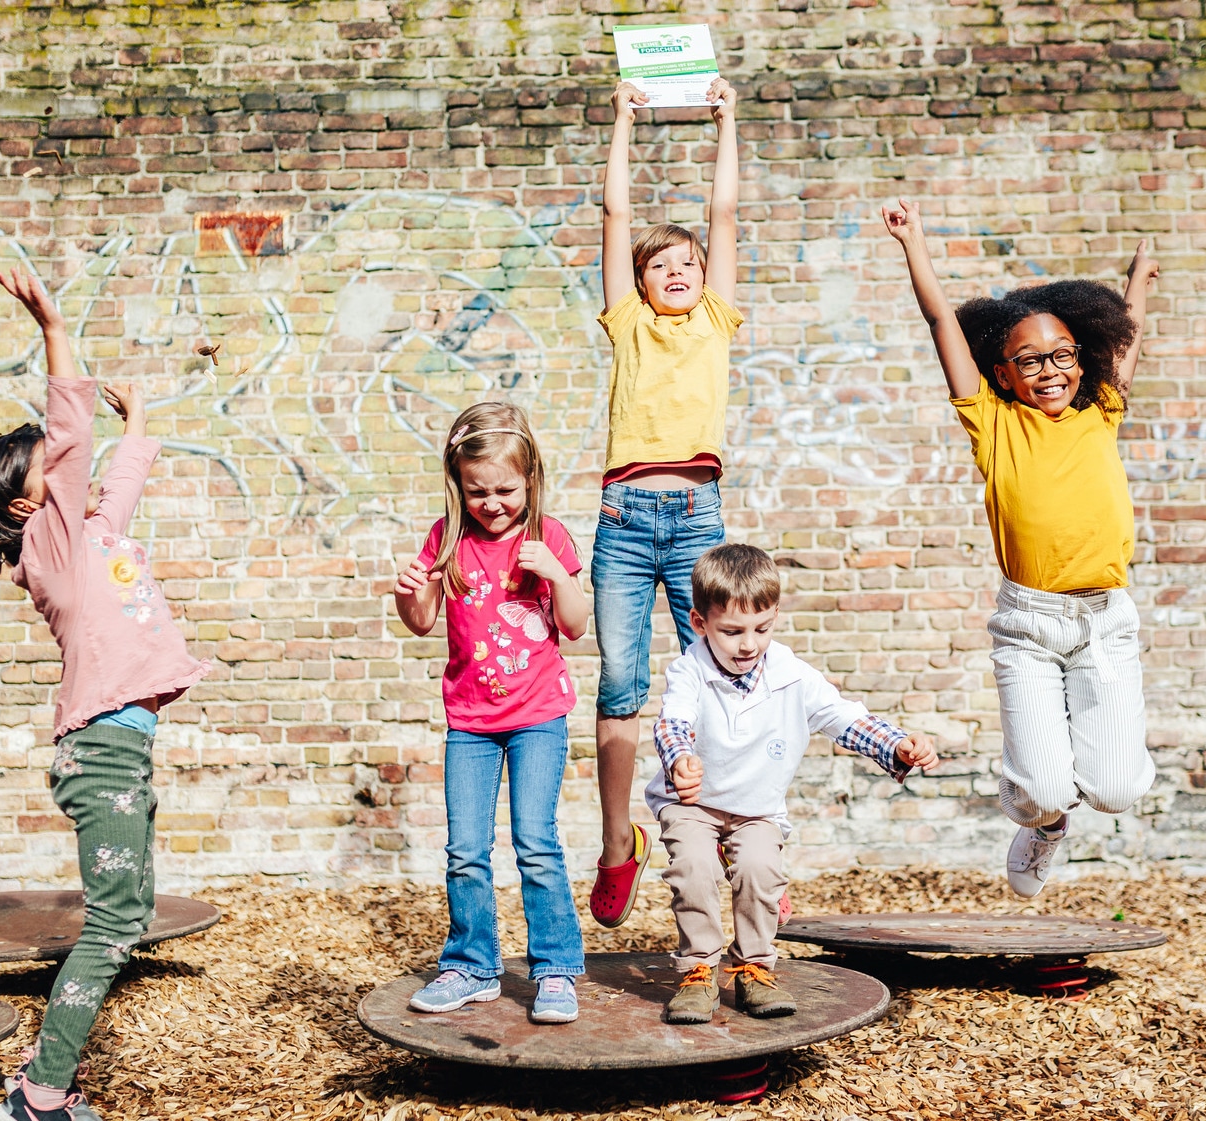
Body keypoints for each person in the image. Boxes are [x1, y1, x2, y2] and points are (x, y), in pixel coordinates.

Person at [0, 267, 210, 1121]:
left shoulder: (93, 533)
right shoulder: (52, 546)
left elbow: (121, 475)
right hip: (102, 747)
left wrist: (139, 419)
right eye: (50, 466)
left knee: (128, 913)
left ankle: (44, 1075)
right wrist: (53, 327)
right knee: (112, 925)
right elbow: (68, 427)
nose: (65, 461)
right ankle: (39, 1094)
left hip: (120, 744)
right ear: (29, 500)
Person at [882, 198, 1161, 898]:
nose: (1049, 370)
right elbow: (942, 321)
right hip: (1029, 626)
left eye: (1063, 355)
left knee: (1119, 790)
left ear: (1082, 357)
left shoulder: (1101, 408)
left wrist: (1141, 282)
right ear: (1001, 373)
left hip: (1106, 622)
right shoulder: (993, 423)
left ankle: (1060, 812)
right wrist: (914, 240)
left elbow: (1125, 339)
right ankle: (1041, 826)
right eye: (1029, 360)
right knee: (1042, 789)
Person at [646, 545, 937, 1023]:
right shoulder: (690, 669)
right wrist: (680, 758)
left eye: (762, 629)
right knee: (695, 866)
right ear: (699, 623)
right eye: (732, 632)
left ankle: (754, 969)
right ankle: (699, 970)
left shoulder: (791, 675)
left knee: (759, 868)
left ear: (775, 615)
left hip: (756, 806)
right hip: (691, 802)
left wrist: (898, 744)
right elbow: (672, 721)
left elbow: (845, 718)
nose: (748, 645)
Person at [589, 73, 746, 929]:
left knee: (721, 675)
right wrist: (623, 119)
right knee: (619, 683)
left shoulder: (715, 318)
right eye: (663, 265)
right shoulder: (628, 322)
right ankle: (620, 843)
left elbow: (723, 217)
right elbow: (615, 218)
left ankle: (734, 837)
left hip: (696, 519)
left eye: (688, 263)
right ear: (641, 282)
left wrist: (728, 120)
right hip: (621, 522)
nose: (679, 272)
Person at [393, 402, 590, 1024]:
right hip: (470, 722)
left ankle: (555, 969)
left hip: (538, 716)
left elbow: (577, 627)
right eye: (478, 491)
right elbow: (422, 623)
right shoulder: (447, 539)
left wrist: (557, 575)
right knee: (465, 849)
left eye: (506, 489)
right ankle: (472, 966)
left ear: (530, 479)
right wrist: (410, 592)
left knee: (535, 842)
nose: (493, 502)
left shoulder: (548, 537)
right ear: (458, 484)